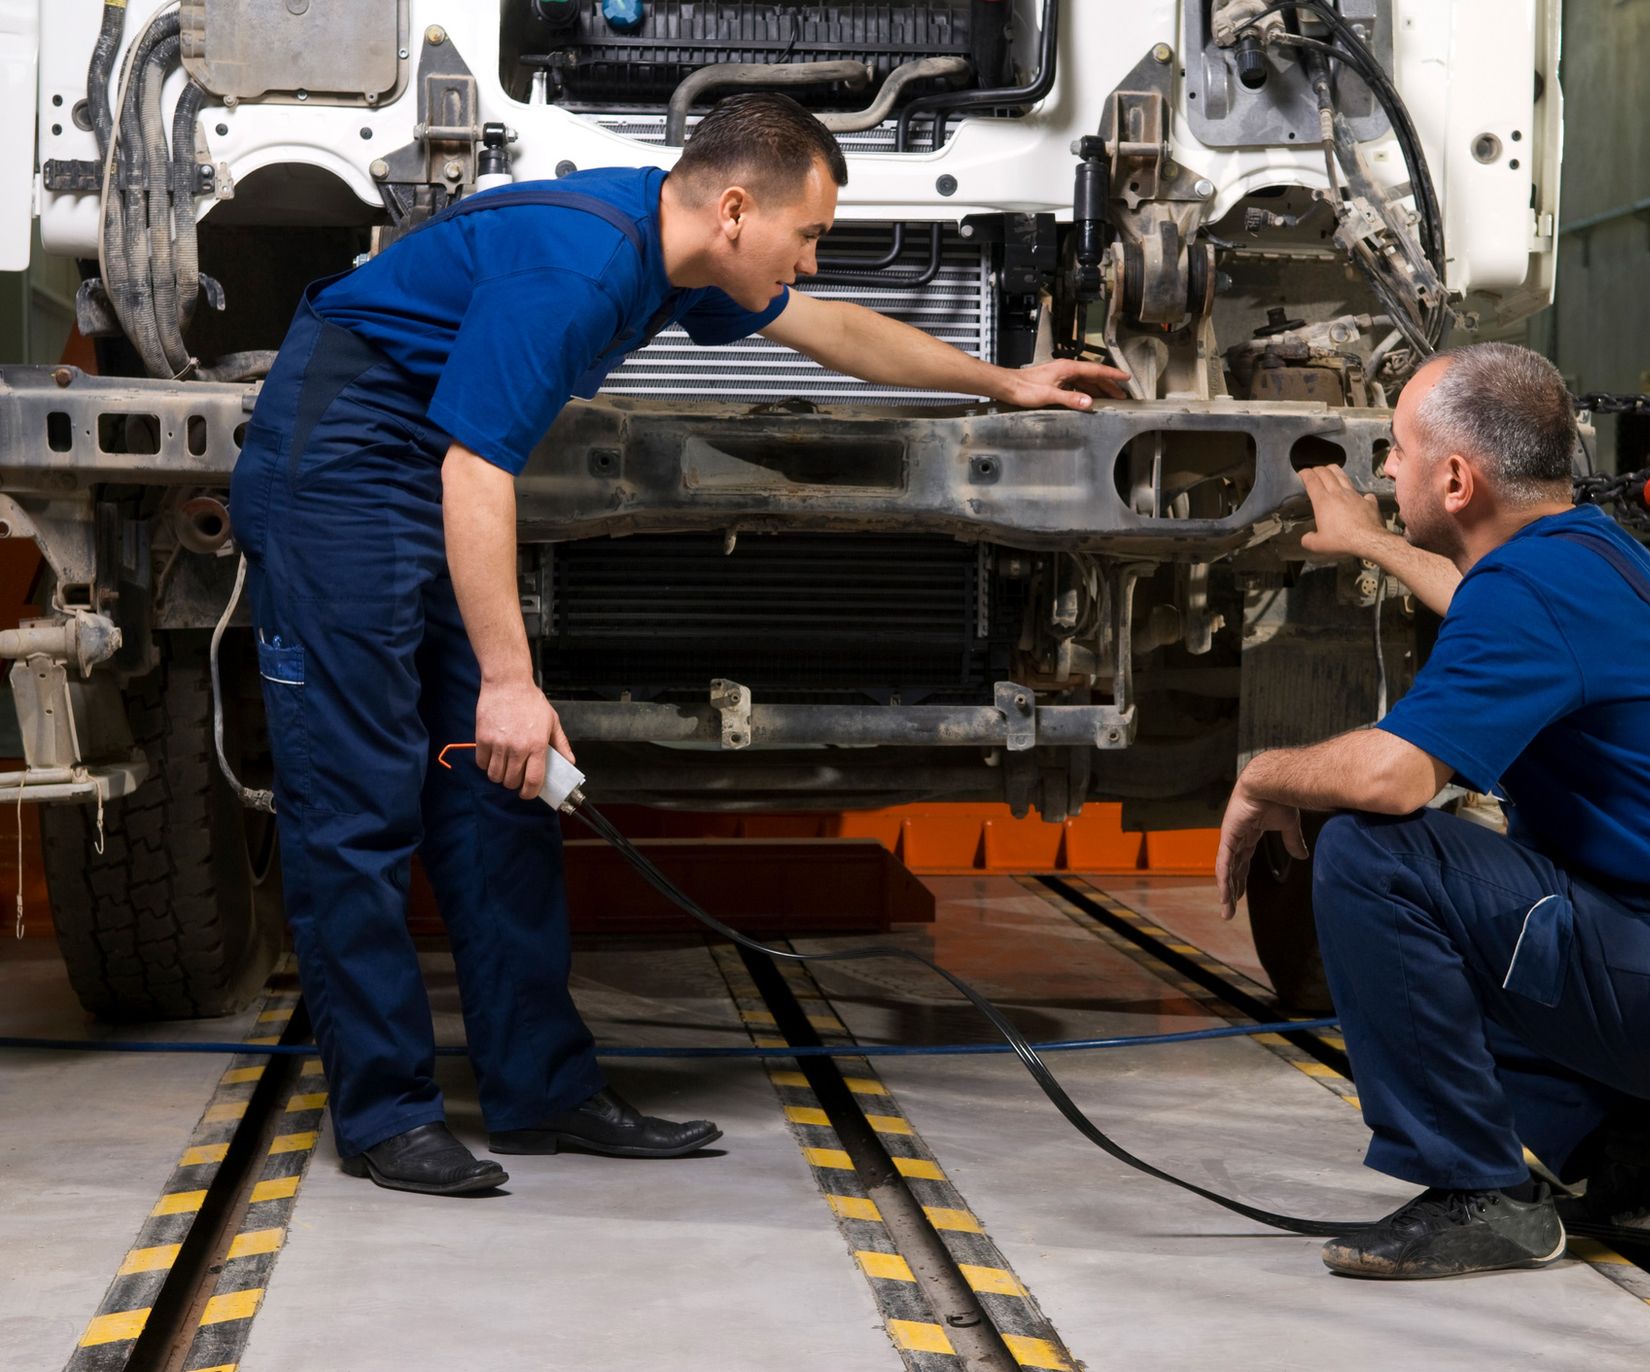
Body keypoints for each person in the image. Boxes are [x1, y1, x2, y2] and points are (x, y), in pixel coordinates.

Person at [230, 93, 1128, 1197]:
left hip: (423, 464)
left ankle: (541, 1089)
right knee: (362, 796)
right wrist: (509, 680)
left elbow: (831, 331)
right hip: (339, 460)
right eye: (808, 237)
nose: (808, 263)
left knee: (497, 790)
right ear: (739, 211)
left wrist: (1004, 381)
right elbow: (478, 469)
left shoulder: (677, 254)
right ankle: (385, 1115)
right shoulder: (580, 268)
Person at [1214, 342, 1650, 1279]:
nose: (1383, 467)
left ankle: (1480, 1195)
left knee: (1376, 856)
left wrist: (1262, 776)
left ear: (1456, 479)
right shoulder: (1578, 553)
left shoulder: (1532, 588)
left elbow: (1392, 782)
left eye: (1397, 451)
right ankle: (1643, 1135)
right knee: (1476, 883)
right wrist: (1374, 540)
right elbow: (1481, 605)